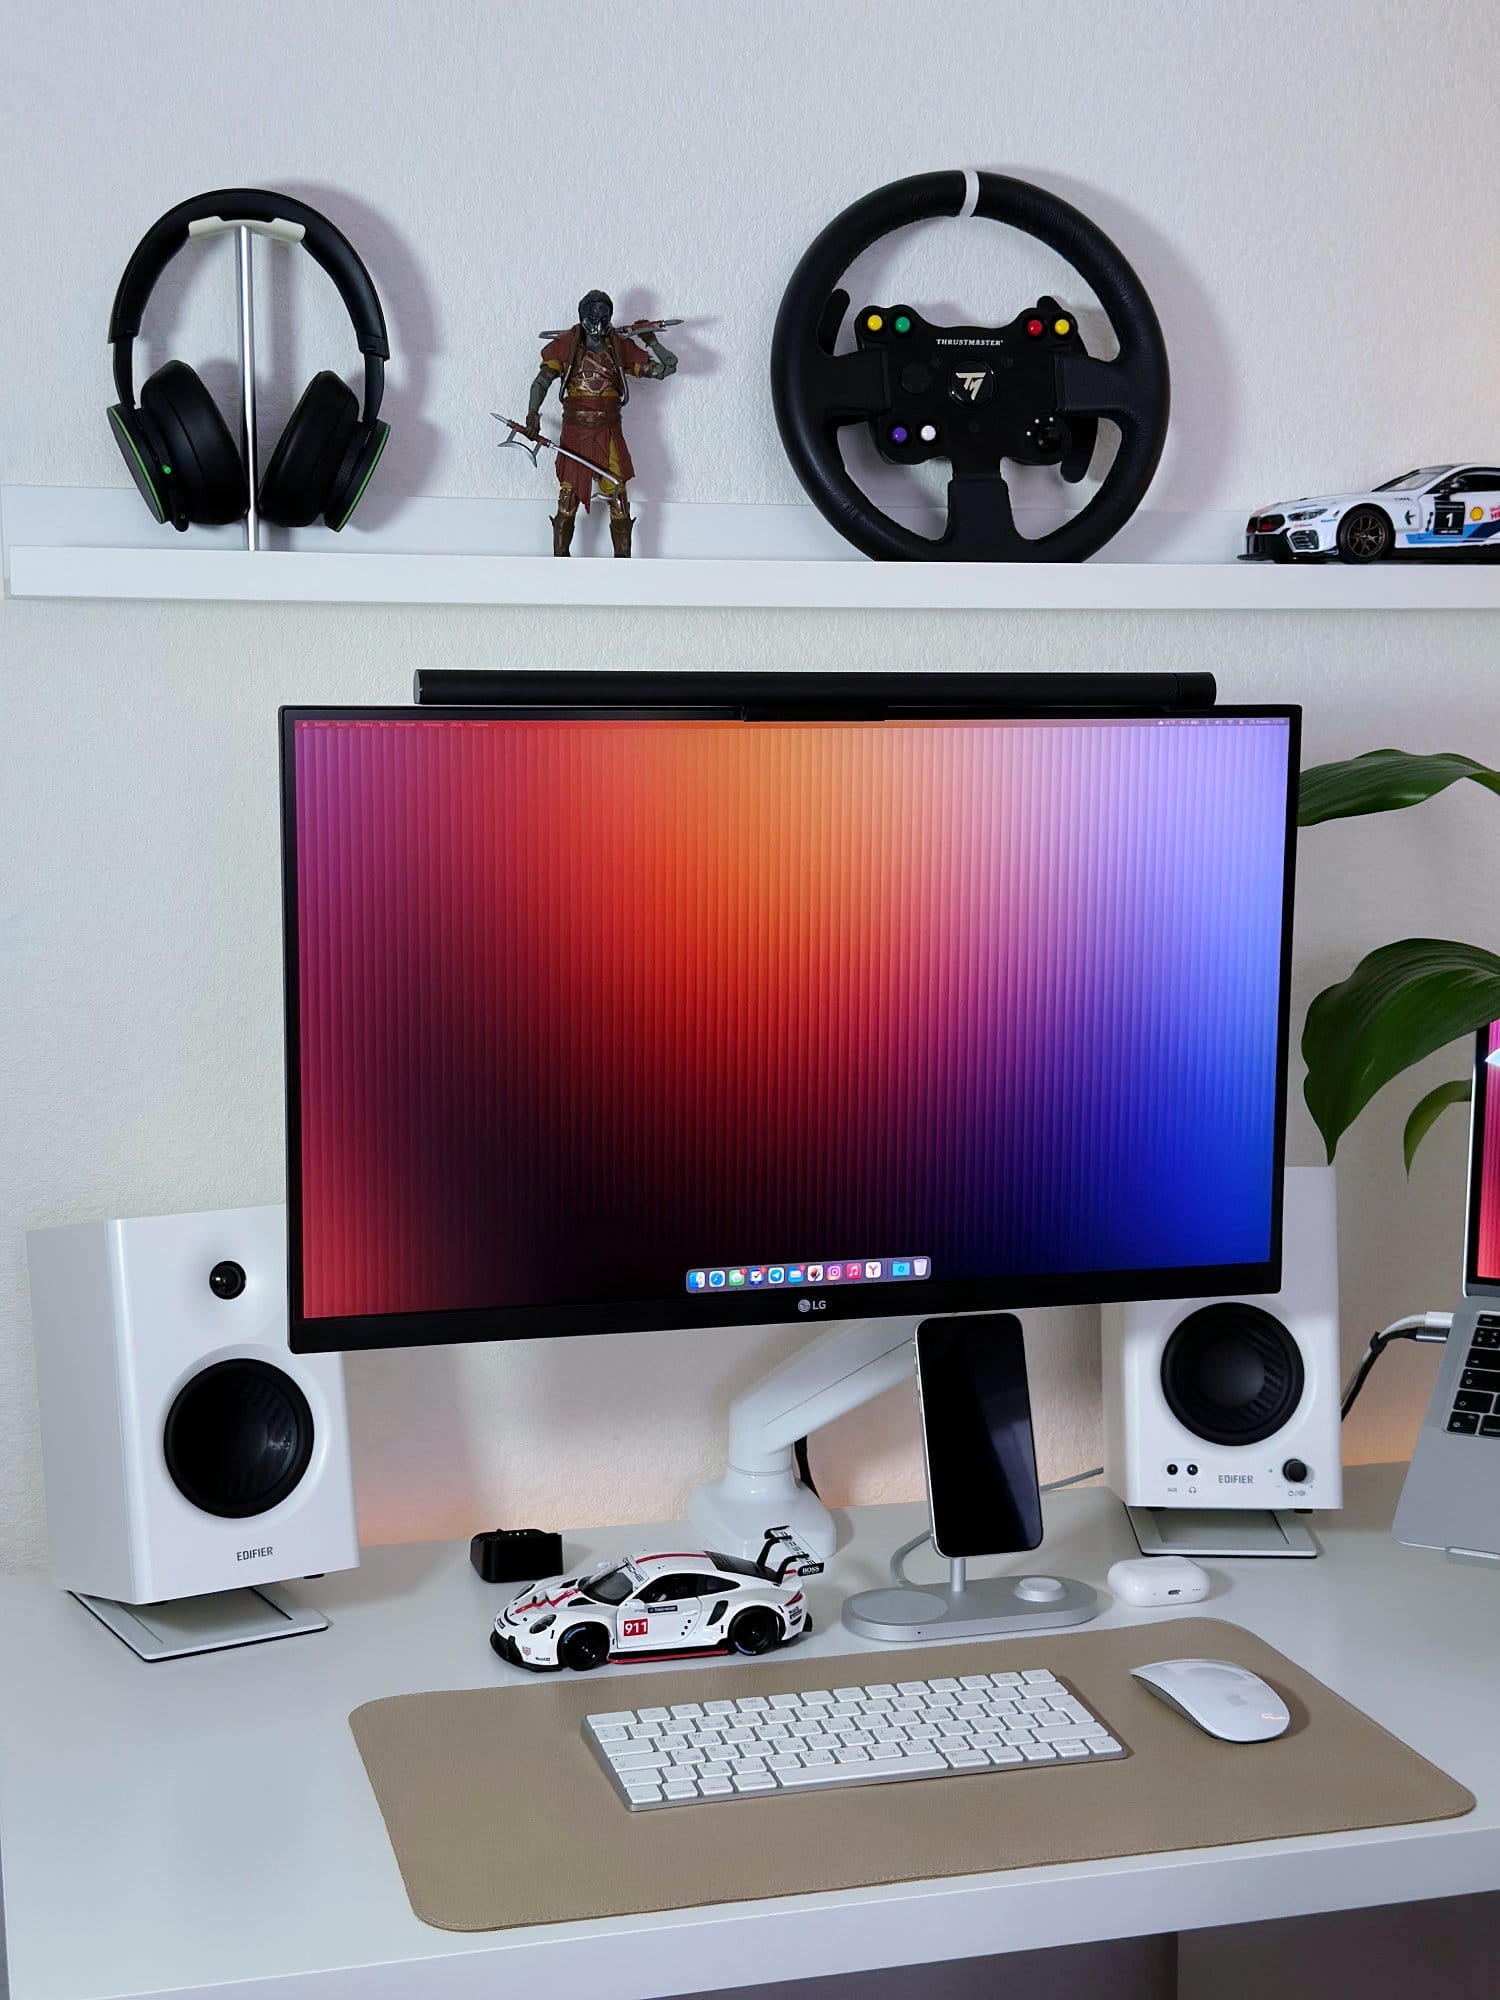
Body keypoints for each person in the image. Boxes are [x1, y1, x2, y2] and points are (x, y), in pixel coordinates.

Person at [525, 290, 678, 556]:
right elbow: (543, 380)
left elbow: (667, 367)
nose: (598, 322)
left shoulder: (619, 348)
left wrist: (650, 340)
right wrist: (532, 414)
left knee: (618, 497)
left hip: (609, 431)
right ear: (582, 315)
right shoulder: (566, 347)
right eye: (592, 316)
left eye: (603, 316)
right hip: (575, 432)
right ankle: (559, 562)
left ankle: (623, 565)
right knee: (568, 497)